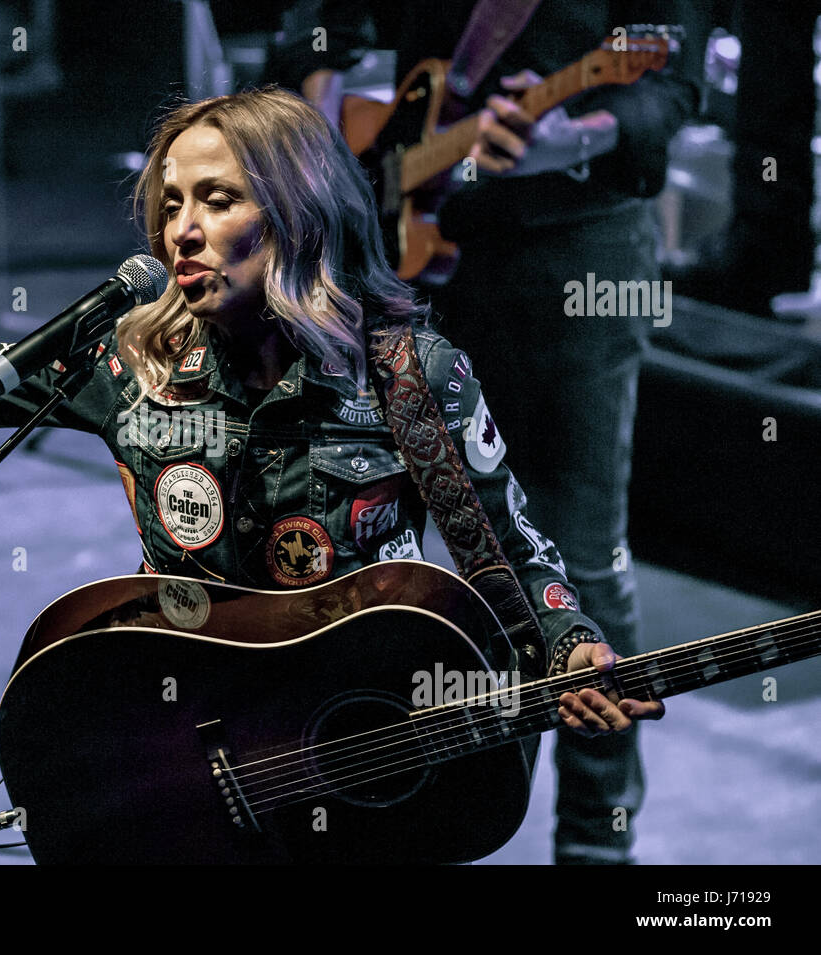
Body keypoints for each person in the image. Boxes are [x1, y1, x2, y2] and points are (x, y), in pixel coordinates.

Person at [0, 88, 664, 848]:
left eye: (217, 200)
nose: (182, 227)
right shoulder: (125, 355)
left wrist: (569, 644)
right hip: (184, 739)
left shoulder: (407, 373)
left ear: (298, 211)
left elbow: (511, 549)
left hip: (348, 754)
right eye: (169, 203)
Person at [269, 1, 702, 863]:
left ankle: (595, 840)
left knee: (578, 557)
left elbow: (671, 83)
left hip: (571, 257)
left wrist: (572, 138)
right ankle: (366, 810)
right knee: (360, 550)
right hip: (399, 258)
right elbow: (318, 22)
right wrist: (331, 146)